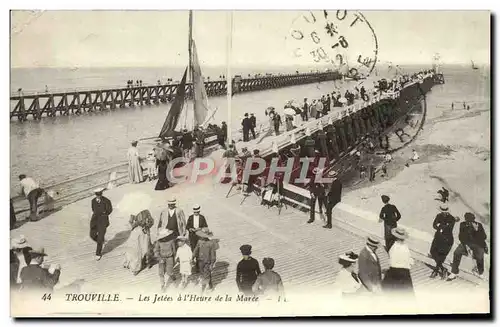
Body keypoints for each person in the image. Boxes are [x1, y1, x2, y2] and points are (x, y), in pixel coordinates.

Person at [447, 212, 488, 281]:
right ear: (465, 219)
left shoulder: (479, 225)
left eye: (471, 221)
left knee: (480, 256)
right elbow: (460, 236)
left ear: (473, 220)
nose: (469, 223)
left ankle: (480, 273)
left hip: (478, 244)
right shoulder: (462, 224)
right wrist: (466, 245)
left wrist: (477, 230)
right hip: (466, 243)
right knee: (457, 252)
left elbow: (484, 237)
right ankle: (454, 272)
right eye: (467, 221)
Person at [429, 205, 458, 279]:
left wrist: (441, 226)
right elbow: (434, 225)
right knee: (432, 251)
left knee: (441, 255)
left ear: (447, 211)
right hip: (438, 237)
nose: (443, 213)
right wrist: (441, 227)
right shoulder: (439, 216)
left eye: (445, 212)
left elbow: (449, 229)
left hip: (447, 239)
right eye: (442, 212)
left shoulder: (451, 218)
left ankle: (435, 271)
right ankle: (443, 269)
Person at [382, 228, 414, 295]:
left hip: (395, 273)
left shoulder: (394, 247)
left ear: (395, 237)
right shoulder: (406, 247)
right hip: (406, 274)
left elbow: (391, 262)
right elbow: (411, 261)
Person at [123, 210, 154, 275]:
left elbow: (152, 221)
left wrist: (147, 225)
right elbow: (130, 225)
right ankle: (135, 268)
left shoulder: (146, 212)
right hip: (136, 233)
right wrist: (135, 223)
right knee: (136, 250)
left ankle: (148, 261)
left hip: (145, 232)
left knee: (146, 249)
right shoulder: (133, 213)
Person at [90, 188, 113, 261]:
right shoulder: (93, 201)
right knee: (92, 235)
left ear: (101, 194)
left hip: (103, 221)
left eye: (99, 194)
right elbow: (93, 209)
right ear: (95, 195)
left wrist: (104, 213)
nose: (98, 196)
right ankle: (101, 241)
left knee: (100, 237)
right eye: (97, 195)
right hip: (94, 220)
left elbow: (110, 210)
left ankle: (98, 253)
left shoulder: (106, 201)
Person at [193, 228, 218, 292]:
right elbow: (196, 250)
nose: (201, 237)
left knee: (207, 274)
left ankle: (205, 288)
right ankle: (210, 285)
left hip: (207, 262)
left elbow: (213, 255)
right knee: (202, 273)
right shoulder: (199, 241)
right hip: (200, 260)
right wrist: (192, 257)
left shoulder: (210, 243)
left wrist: (212, 264)